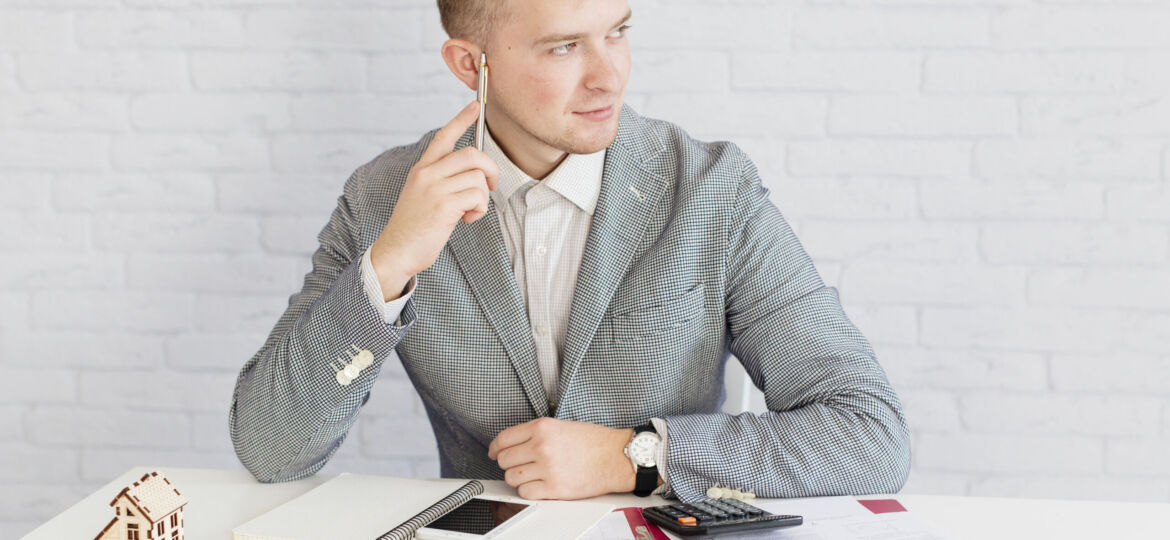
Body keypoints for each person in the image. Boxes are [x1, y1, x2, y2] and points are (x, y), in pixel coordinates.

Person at [229, 0, 911, 503]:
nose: (608, 78)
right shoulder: (385, 200)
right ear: (473, 65)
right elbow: (270, 450)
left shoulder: (711, 191)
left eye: (618, 32)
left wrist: (637, 457)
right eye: (563, 48)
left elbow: (869, 435)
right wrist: (390, 266)